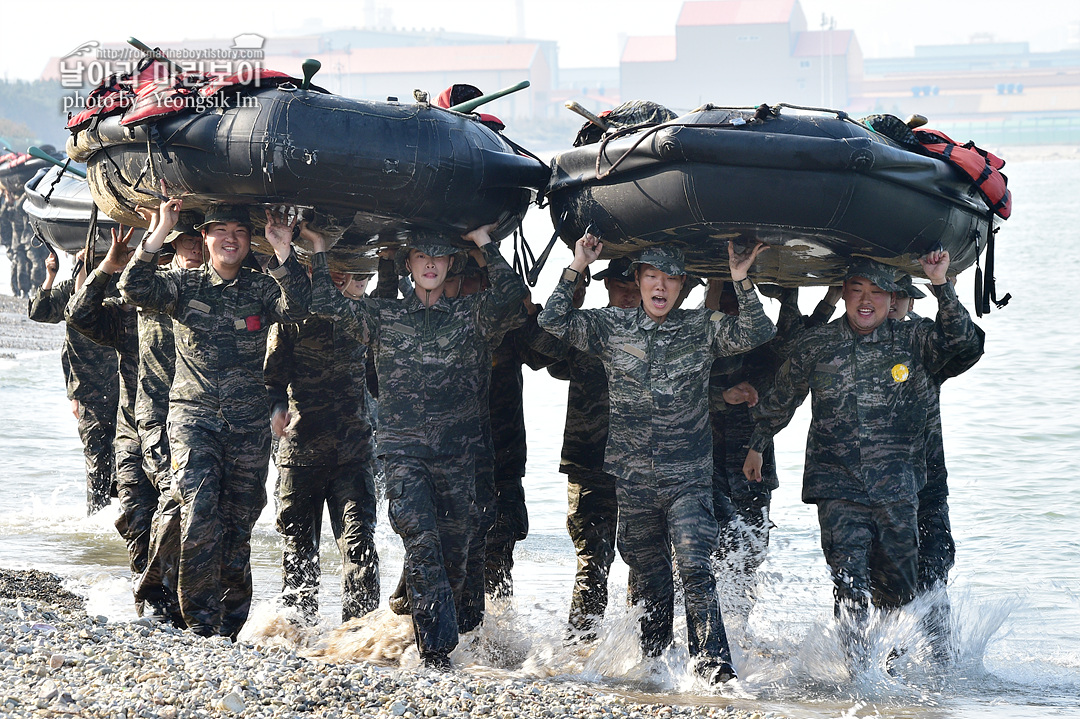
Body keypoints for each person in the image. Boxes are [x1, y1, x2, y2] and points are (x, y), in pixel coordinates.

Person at [539, 238, 775, 684]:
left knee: (695, 566)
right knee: (649, 577)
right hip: (633, 481)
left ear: (682, 284)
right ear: (639, 281)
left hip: (688, 478)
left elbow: (757, 331)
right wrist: (578, 263)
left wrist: (741, 279)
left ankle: (714, 670)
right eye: (651, 277)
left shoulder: (700, 327)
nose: (660, 287)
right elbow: (553, 319)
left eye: (669, 279)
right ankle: (655, 669)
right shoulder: (612, 326)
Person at [307, 225, 527, 668]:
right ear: (408, 265)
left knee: (455, 558)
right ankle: (436, 656)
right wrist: (317, 251)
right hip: (404, 456)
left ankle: (429, 624)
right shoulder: (384, 316)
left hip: (459, 458)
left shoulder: (473, 316)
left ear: (449, 266)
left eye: (439, 257)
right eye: (421, 256)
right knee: (422, 543)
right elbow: (325, 302)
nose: (430, 263)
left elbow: (511, 295)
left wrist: (485, 243)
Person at [744, 255, 982, 661]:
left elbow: (964, 343)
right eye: (856, 290)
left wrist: (942, 285)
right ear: (844, 295)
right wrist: (758, 442)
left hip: (898, 490)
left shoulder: (915, 341)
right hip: (837, 485)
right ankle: (859, 675)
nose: (865, 300)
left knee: (899, 592)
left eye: (876, 292)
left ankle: (891, 672)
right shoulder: (819, 344)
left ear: (892, 299)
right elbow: (784, 394)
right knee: (849, 583)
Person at [119, 200, 309, 638]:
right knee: (199, 510)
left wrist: (283, 250)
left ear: (248, 241)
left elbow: (298, 307)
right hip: (194, 419)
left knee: (238, 523)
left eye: (239, 231)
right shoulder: (183, 285)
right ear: (204, 238)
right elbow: (133, 287)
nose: (229, 238)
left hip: (247, 426)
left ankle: (229, 625)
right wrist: (161, 231)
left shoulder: (261, 289)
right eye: (219, 230)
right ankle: (198, 622)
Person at [265, 244, 379, 625]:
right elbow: (272, 377)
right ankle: (297, 630)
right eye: (337, 277)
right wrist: (277, 406)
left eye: (360, 278)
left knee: (360, 542)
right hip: (301, 452)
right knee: (299, 547)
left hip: (354, 451)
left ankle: (360, 632)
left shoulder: (365, 320)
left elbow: (382, 382)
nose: (349, 285)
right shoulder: (293, 319)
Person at [533, 256, 639, 640]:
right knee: (592, 562)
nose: (626, 295)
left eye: (633, 287)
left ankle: (640, 651)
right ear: (605, 286)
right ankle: (580, 647)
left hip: (640, 470)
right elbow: (541, 349)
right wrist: (571, 293)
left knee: (643, 563)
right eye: (618, 286)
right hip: (588, 464)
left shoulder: (660, 331)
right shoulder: (586, 327)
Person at [65, 226, 160, 614]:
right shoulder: (122, 315)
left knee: (181, 517)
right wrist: (107, 266)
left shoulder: (187, 301)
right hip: (128, 427)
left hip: (181, 431)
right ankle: (148, 603)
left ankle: (184, 606)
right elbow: (76, 315)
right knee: (135, 514)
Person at [889, 274, 984, 656]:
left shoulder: (924, 341)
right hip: (873, 491)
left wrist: (945, 289)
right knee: (887, 582)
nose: (893, 303)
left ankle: (944, 667)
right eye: (885, 294)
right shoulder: (847, 341)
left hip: (926, 482)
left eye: (901, 298)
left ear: (913, 303)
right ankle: (884, 667)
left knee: (933, 572)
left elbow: (969, 345)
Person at [131, 214, 205, 624]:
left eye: (199, 239)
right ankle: (158, 592)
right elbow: (87, 312)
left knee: (201, 505)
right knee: (176, 495)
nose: (193, 247)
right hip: (158, 414)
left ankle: (185, 598)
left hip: (202, 415)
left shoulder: (222, 287)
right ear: (172, 246)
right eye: (185, 240)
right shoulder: (157, 287)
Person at [28, 247, 120, 515]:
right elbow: (39, 311)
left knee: (127, 458)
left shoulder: (121, 287)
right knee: (96, 459)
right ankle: (97, 519)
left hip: (124, 384)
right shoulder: (70, 290)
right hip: (88, 387)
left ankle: (126, 516)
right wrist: (50, 276)